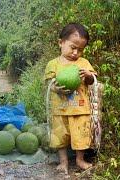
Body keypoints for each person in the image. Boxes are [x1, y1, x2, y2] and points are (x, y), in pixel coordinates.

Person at [44, 23, 96, 174]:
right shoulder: (53, 64)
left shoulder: (84, 63)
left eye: (80, 49)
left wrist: (88, 76)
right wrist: (55, 87)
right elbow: (49, 84)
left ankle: (80, 160)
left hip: (80, 108)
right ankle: (63, 162)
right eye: (73, 47)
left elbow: (93, 81)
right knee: (60, 137)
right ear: (61, 43)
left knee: (81, 135)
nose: (76, 52)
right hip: (59, 110)